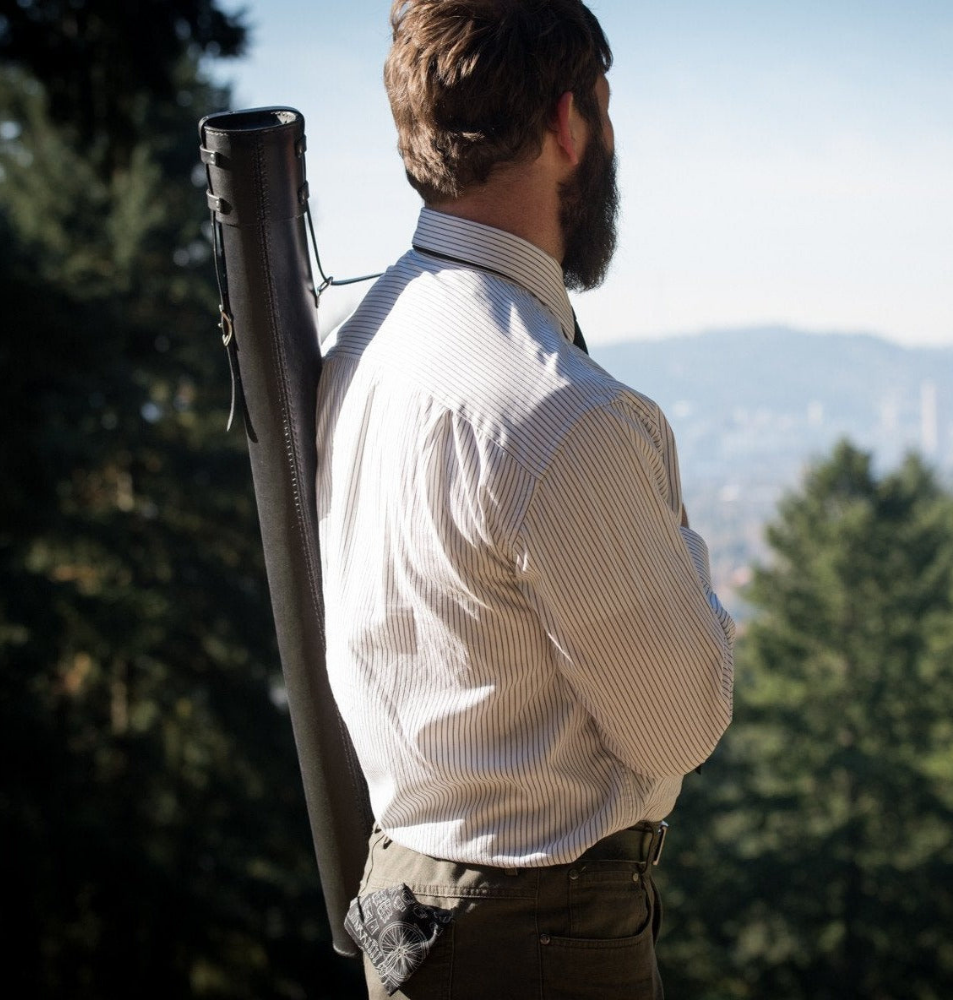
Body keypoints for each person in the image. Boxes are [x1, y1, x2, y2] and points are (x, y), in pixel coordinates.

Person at [316, 1, 735, 996]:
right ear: (565, 124)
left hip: (406, 906)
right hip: (539, 933)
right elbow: (679, 723)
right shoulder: (561, 412)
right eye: (604, 109)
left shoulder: (357, 332)